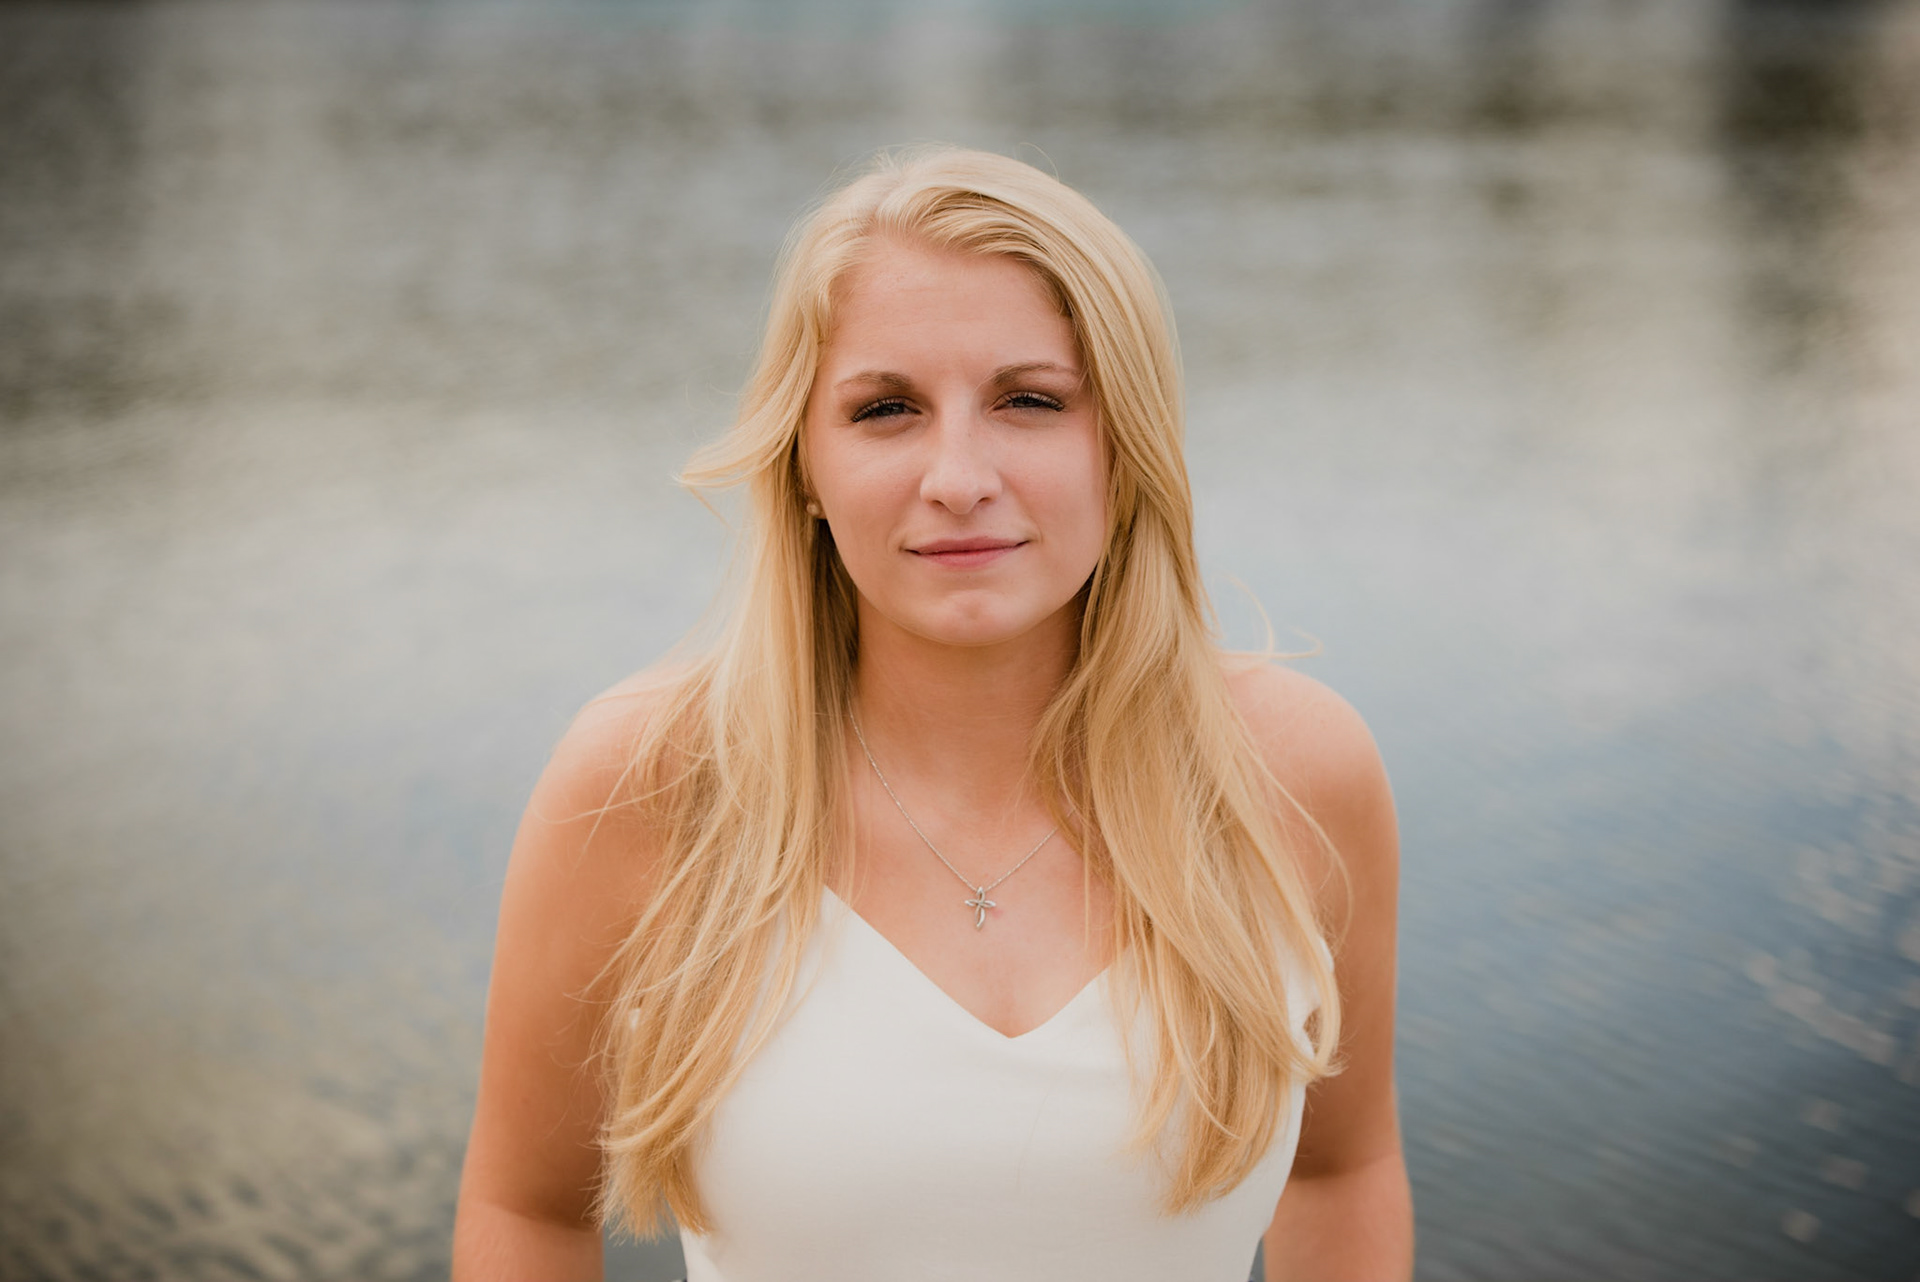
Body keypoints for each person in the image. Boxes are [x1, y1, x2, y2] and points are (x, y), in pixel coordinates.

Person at [452, 146, 1411, 1282]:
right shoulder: (646, 781)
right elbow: (528, 1209)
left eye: (1030, 400)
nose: (958, 477)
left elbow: (1341, 1172)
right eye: (887, 409)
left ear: (1126, 443)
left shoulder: (1296, 770)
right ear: (804, 465)